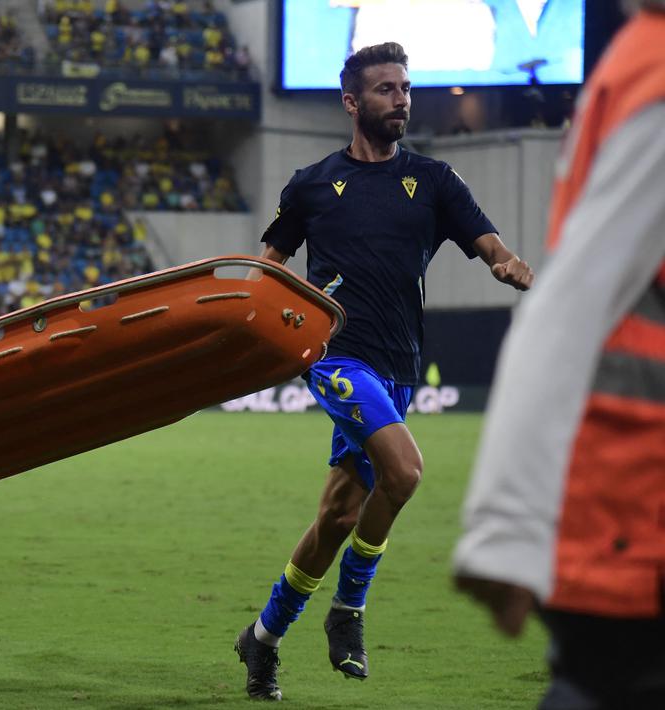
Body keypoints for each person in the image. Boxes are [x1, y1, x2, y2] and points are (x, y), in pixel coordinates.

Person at [233, 42, 534, 701]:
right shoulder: (312, 184)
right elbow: (269, 267)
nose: (400, 97)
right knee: (404, 472)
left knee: (336, 520)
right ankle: (348, 612)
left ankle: (261, 638)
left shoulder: (433, 182)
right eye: (385, 89)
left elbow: (488, 243)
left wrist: (506, 263)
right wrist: (269, 328)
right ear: (351, 102)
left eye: (404, 87)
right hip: (336, 359)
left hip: (399, 368)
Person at [453, 3, 665, 708]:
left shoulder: (634, 63)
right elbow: (571, 297)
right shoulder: (654, 73)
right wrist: (506, 528)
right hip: (632, 514)